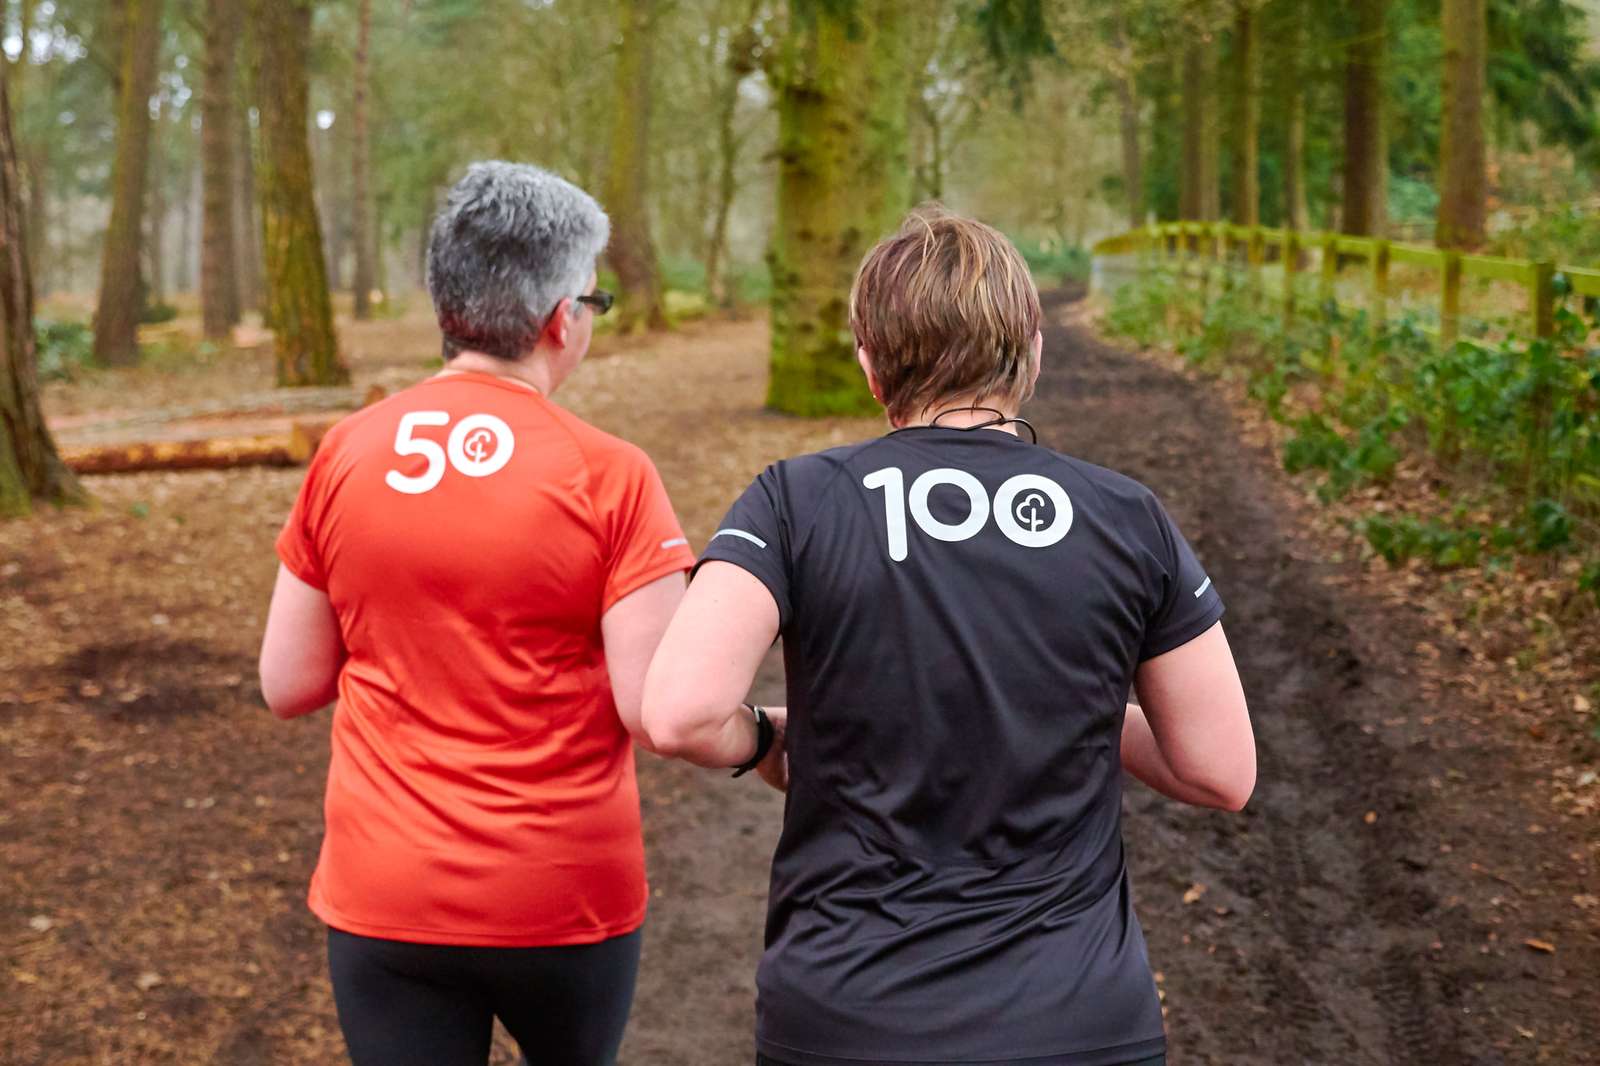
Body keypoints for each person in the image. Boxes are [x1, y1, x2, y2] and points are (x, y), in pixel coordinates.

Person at [641, 208, 1256, 1066]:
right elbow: (1221, 770)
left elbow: (677, 715)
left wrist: (769, 741)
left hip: (849, 1015)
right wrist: (1070, 709)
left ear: (868, 361)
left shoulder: (795, 501)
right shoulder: (1127, 517)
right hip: (1077, 1021)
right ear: (1033, 350)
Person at [258, 161, 696, 1066]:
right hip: (562, 899)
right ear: (556, 320)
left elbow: (290, 681)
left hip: (387, 895)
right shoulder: (612, 476)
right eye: (594, 303)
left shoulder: (346, 452)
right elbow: (656, 711)